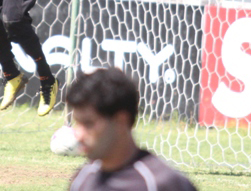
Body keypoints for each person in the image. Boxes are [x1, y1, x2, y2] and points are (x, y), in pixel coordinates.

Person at [66, 68, 198, 191]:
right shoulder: (82, 180)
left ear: (121, 121)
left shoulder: (163, 184)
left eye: (88, 124)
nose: (79, 135)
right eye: (77, 123)